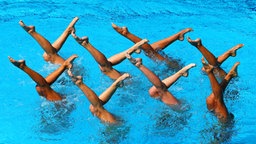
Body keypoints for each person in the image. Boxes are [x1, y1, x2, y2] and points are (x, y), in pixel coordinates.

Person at [125, 53, 196, 108]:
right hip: (178, 109)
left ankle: (139, 65)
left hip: (179, 110)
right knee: (155, 91)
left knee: (157, 90)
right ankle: (180, 73)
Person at [71, 30, 148, 80]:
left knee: (105, 67)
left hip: (130, 85)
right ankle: (86, 44)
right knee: (105, 68)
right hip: (131, 85)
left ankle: (133, 49)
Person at [112, 23, 192, 64]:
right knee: (151, 49)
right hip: (173, 66)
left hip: (173, 68)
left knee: (150, 51)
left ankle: (127, 34)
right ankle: (178, 36)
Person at [8, 55, 78, 101]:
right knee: (42, 87)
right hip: (62, 105)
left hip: (61, 106)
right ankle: (22, 66)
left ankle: (23, 67)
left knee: (41, 87)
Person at [201, 57, 239, 123]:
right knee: (218, 100)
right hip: (225, 124)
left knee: (210, 100)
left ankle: (230, 75)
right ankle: (211, 73)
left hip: (218, 121)